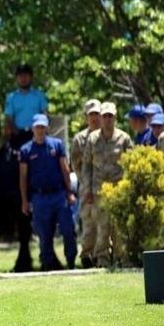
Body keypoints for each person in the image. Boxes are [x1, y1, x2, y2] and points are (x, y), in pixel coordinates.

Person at [19, 115, 77, 270]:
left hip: (59, 195)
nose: (40, 130)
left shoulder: (56, 145)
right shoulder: (26, 150)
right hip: (39, 197)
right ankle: (47, 264)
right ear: (33, 129)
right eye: (37, 127)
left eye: (43, 127)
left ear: (47, 128)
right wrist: (25, 200)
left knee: (68, 229)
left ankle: (71, 262)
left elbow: (65, 169)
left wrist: (69, 192)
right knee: (44, 234)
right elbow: (23, 177)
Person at [84, 102, 134, 267]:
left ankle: (122, 258)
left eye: (110, 116)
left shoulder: (124, 138)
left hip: (119, 190)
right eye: (104, 116)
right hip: (99, 191)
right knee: (102, 227)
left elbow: (131, 164)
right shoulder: (92, 139)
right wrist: (88, 190)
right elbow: (87, 166)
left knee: (120, 227)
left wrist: (128, 188)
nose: (106, 119)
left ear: (115, 118)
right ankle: (103, 260)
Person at [70, 99, 102, 268]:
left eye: (97, 114)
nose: (95, 118)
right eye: (91, 115)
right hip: (87, 187)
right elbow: (76, 164)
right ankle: (87, 255)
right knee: (88, 223)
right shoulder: (79, 139)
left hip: (106, 188)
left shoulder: (109, 135)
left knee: (105, 223)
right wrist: (87, 184)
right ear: (86, 117)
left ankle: (103, 255)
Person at [4, 64, 49, 148]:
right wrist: (16, 132)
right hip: (17, 135)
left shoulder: (39, 95)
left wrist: (40, 128)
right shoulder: (11, 97)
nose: (23, 78)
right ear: (16, 78)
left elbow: (44, 114)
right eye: (20, 76)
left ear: (31, 77)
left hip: (37, 134)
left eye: (26, 75)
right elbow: (8, 118)